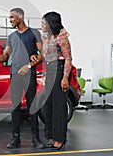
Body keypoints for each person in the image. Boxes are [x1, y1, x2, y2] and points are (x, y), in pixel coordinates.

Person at [0, 8, 45, 149]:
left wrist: (29, 65)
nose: (10, 20)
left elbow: (42, 54)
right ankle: (15, 138)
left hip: (29, 75)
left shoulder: (34, 33)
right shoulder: (12, 37)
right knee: (14, 106)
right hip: (14, 75)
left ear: (20, 17)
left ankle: (36, 138)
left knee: (32, 106)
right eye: (9, 18)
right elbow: (5, 57)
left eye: (12, 17)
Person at [41, 11, 72, 151]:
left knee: (59, 107)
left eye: (44, 23)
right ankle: (52, 137)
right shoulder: (46, 37)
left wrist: (65, 78)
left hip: (60, 71)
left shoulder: (63, 38)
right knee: (48, 106)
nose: (42, 25)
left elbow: (68, 59)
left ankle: (60, 139)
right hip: (50, 70)